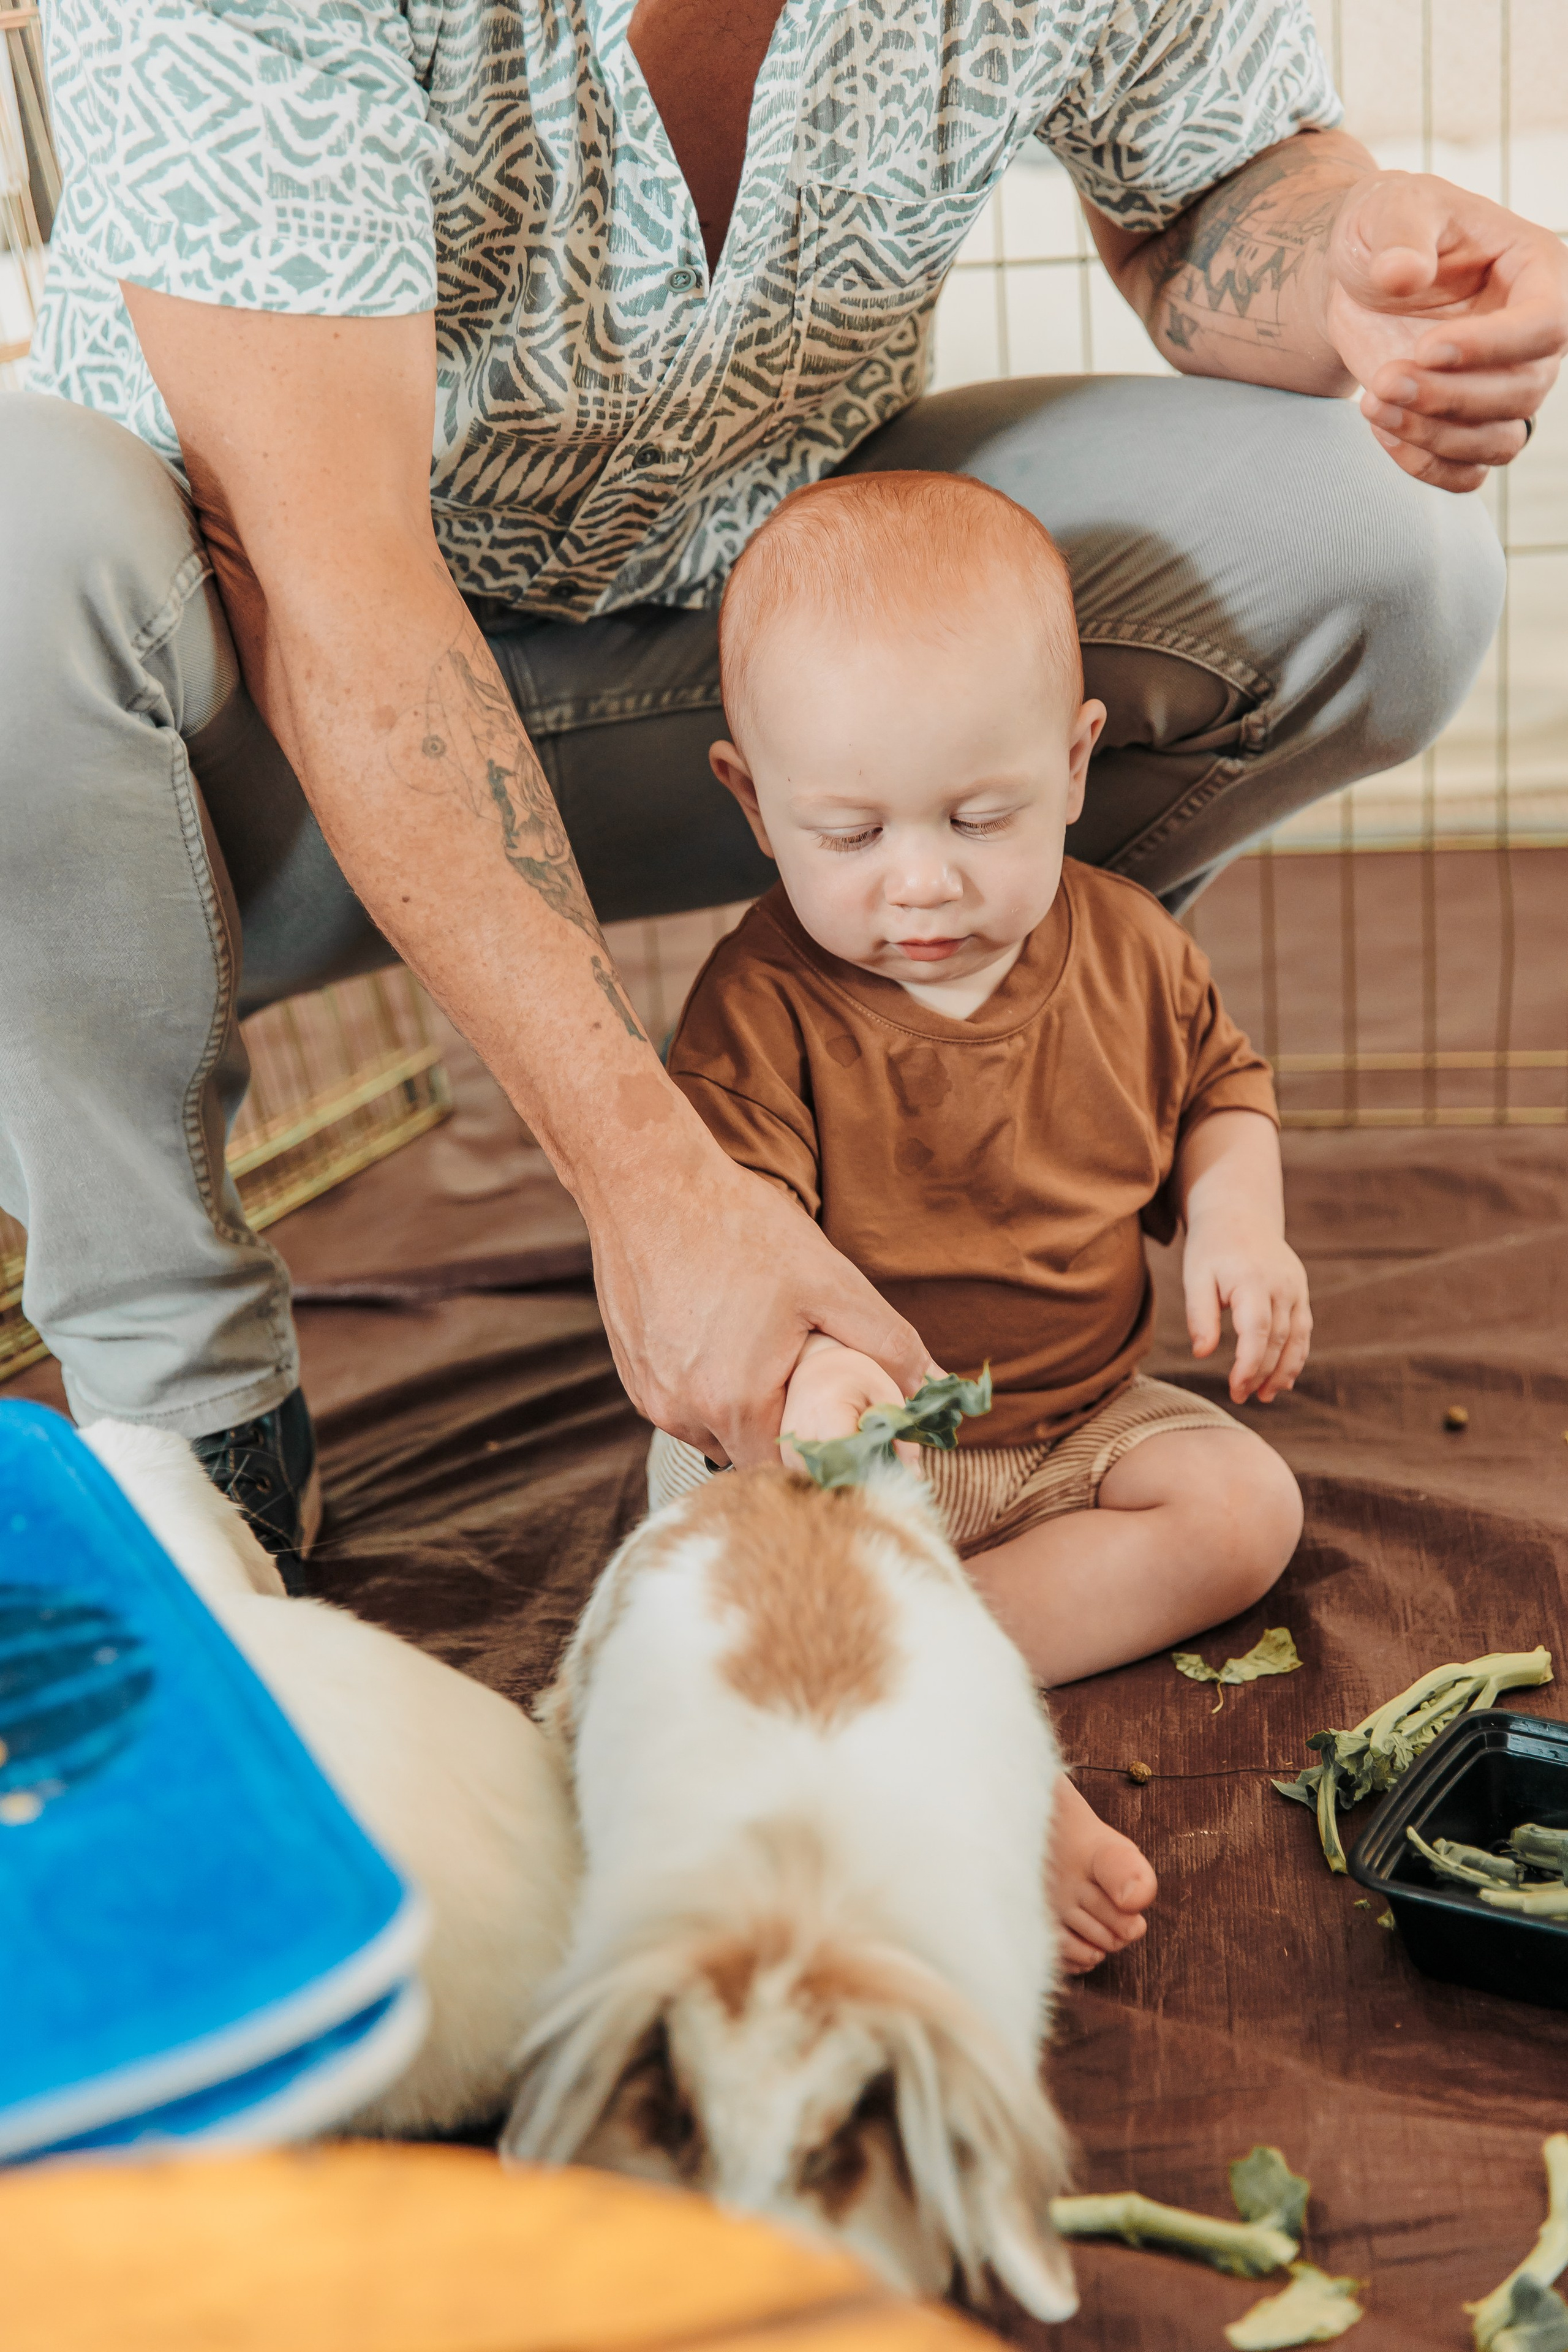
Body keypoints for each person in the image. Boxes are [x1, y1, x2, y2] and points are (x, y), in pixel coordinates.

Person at [1, 1, 1562, 1583]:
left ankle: (974, 1122)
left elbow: (1212, 184)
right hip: (228, 767)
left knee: (1386, 543)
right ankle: (184, 1393)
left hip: (738, 666)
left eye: (977, 830)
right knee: (12, 535)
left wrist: (1357, 260)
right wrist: (648, 1190)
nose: (931, 874)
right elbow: (328, 579)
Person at [649, 469, 1309, 1970]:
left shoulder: (1129, 949)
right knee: (724, 1573)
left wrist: (1237, 1226)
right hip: (857, 1447)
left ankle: (902, 1668)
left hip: (1078, 1421)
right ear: (751, 803)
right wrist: (823, 1409)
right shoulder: (761, 1005)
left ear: (1073, 766)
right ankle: (958, 1732)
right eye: (849, 834)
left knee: (1243, 1511)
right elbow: (737, 1241)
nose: (923, 881)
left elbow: (1219, 1090)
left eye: (978, 816)